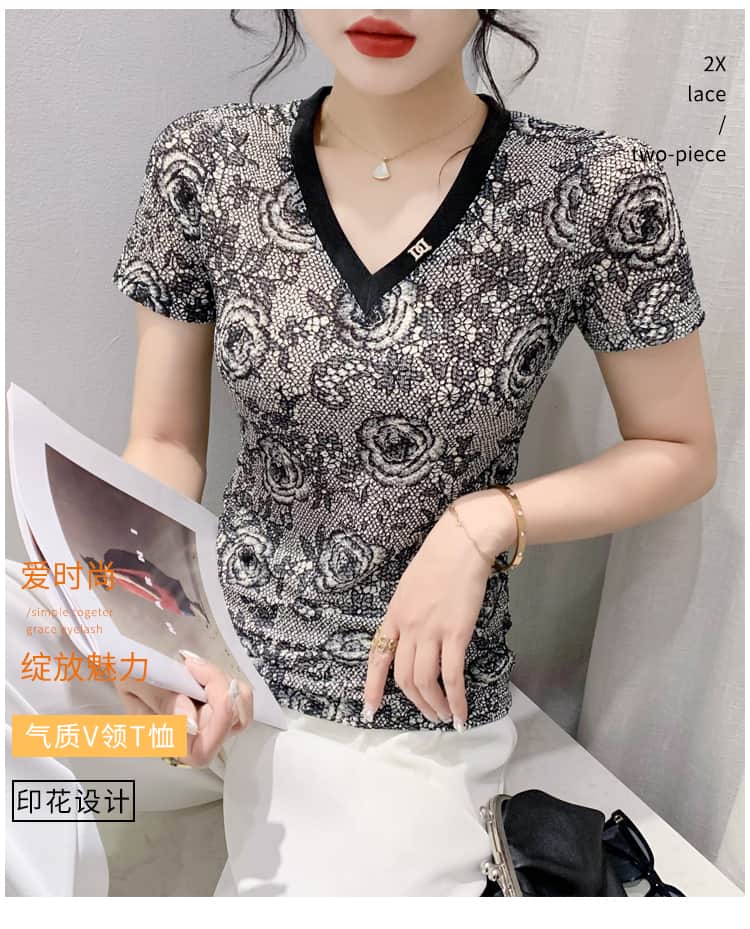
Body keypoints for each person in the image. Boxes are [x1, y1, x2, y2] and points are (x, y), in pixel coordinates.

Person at [7, 10, 716, 896]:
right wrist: (142, 638)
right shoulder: (205, 162)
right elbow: (163, 442)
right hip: (201, 667)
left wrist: (487, 521)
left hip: (396, 704)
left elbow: (677, 445)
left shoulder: (596, 187)